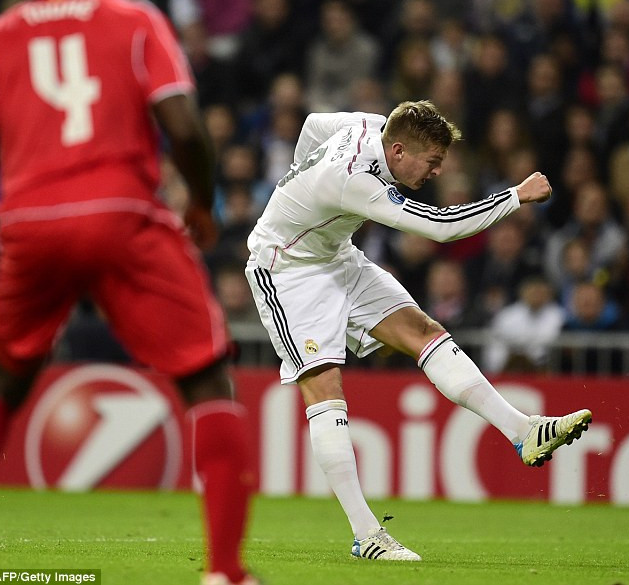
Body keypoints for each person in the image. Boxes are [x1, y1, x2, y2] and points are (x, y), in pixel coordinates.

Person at [0, 0, 257, 584]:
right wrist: (200, 204)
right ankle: (225, 573)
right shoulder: (135, 19)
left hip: (28, 221)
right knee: (205, 378)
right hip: (122, 213)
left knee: (4, 379)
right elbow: (183, 128)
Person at [245, 99, 592, 561]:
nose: (436, 172)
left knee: (425, 331)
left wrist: (298, 179)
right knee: (324, 386)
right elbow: (442, 229)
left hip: (335, 255)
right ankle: (367, 534)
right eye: (432, 162)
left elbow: (310, 124)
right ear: (400, 151)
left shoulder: (370, 124)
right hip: (285, 269)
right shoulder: (355, 181)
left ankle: (522, 430)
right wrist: (515, 196)